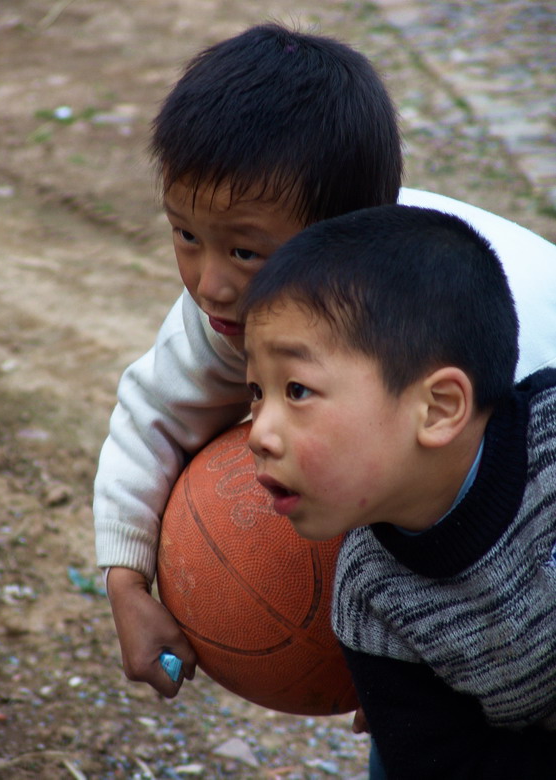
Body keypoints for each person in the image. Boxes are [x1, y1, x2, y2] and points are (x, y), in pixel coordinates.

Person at [93, 21, 556, 714]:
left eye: (246, 252)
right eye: (185, 235)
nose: (209, 283)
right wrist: (125, 583)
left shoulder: (491, 353)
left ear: (342, 233)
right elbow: (154, 414)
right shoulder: (232, 313)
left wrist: (439, 662)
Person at [242, 204, 556, 779]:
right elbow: (445, 765)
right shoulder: (370, 597)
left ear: (437, 408)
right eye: (256, 392)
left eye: (297, 390)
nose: (258, 432)